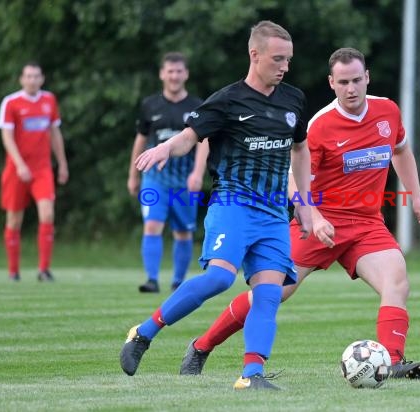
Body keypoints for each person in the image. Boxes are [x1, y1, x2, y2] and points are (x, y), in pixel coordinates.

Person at [179, 47, 420, 380]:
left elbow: (400, 150)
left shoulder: (387, 111)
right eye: (343, 82)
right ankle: (201, 346)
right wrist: (313, 217)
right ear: (332, 83)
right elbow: (292, 178)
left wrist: (416, 197)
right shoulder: (321, 126)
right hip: (318, 222)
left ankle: (393, 361)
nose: (352, 88)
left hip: (367, 224)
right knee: (271, 293)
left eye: (357, 80)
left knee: (396, 282)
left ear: (367, 77)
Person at [120, 20, 313, 391]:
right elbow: (190, 136)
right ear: (254, 55)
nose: (285, 66)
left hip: (274, 213)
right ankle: (143, 333)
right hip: (233, 204)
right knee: (220, 278)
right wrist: (162, 148)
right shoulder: (228, 100)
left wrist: (303, 203)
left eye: (288, 59)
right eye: (277, 59)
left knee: (270, 292)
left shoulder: (293, 100)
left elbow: (300, 149)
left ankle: (251, 374)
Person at [127, 52, 208, 293]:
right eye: (170, 71)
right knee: (152, 225)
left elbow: (204, 141)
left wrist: (197, 172)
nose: (174, 76)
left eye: (179, 71)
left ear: (186, 74)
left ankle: (177, 282)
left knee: (183, 231)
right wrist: (133, 174)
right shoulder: (150, 105)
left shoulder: (197, 106)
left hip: (185, 180)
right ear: (162, 74)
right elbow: (140, 141)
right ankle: (151, 279)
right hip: (155, 178)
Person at [0, 62, 69, 282]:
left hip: (42, 169)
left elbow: (55, 133)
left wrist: (62, 163)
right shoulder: (11, 102)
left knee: (47, 214)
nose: (32, 80)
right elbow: (7, 137)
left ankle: (44, 270)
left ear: (42, 78)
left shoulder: (49, 100)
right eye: (28, 76)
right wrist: (19, 165)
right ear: (21, 79)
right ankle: (13, 272)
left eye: (36, 76)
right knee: (14, 221)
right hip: (16, 170)